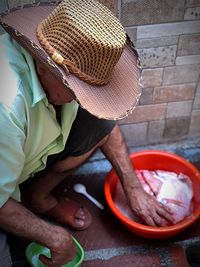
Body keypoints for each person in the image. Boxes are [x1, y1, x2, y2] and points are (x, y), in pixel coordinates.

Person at [0, 0, 174, 266]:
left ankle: (37, 197)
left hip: (20, 160)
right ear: (44, 66)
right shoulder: (6, 104)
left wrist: (133, 186)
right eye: (76, 92)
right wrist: (57, 238)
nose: (81, 101)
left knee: (97, 124)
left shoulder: (56, 85)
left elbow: (104, 126)